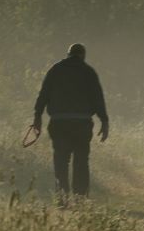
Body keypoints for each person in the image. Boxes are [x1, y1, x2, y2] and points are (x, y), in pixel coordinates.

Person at [31, 43, 110, 199]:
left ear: (68, 54)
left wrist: (37, 117)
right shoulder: (88, 72)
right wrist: (104, 121)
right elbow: (98, 99)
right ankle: (80, 199)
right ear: (83, 55)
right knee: (81, 160)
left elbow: (43, 95)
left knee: (61, 160)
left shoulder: (55, 70)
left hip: (59, 122)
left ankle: (61, 197)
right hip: (82, 123)